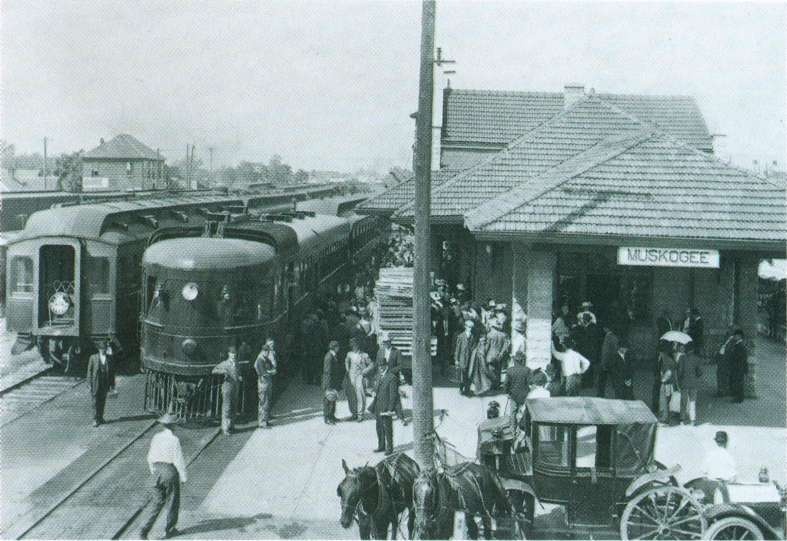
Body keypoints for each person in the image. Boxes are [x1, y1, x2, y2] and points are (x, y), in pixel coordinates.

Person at [139, 413, 187, 540]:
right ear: (174, 426)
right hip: (170, 472)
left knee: (157, 502)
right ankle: (169, 530)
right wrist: (183, 477)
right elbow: (178, 460)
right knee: (172, 501)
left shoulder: (156, 437)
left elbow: (149, 457)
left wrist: (154, 471)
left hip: (156, 471)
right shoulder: (174, 440)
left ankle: (144, 530)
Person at [368, 358, 405, 455]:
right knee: (379, 427)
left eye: (382, 366)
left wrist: (390, 409)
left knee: (387, 428)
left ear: (386, 366)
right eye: (379, 366)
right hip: (378, 406)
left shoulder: (392, 377)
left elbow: (393, 395)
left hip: (386, 407)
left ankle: (390, 448)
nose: (380, 368)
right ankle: (381, 446)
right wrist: (373, 392)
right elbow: (375, 388)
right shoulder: (378, 376)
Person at [212, 346, 243, 435]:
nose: (233, 355)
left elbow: (238, 372)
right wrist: (223, 371)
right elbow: (214, 370)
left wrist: (239, 377)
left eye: (235, 354)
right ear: (229, 354)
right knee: (227, 408)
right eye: (232, 354)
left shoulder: (237, 363)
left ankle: (231, 426)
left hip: (236, 387)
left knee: (234, 407)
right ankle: (225, 428)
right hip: (227, 388)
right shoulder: (225, 363)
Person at [345, 337, 373, 421]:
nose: (353, 346)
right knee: (351, 396)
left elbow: (371, 364)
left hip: (360, 376)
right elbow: (346, 362)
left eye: (354, 344)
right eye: (351, 345)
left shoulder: (364, 355)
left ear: (357, 345)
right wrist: (347, 370)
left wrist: (365, 371)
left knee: (360, 395)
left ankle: (360, 414)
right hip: (351, 376)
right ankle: (354, 413)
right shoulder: (349, 354)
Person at [87, 343, 113, 426]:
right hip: (95, 382)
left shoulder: (109, 358)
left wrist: (112, 384)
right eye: (102, 349)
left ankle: (101, 417)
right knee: (95, 401)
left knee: (102, 400)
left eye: (104, 349)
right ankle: (95, 419)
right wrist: (89, 383)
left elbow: (111, 372)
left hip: (104, 382)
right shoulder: (93, 357)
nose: (103, 350)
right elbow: (89, 371)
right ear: (99, 349)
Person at [677, 342, 702, 425]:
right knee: (692, 402)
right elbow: (699, 372)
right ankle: (692, 420)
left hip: (684, 383)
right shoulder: (697, 358)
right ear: (693, 350)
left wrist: (679, 380)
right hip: (694, 383)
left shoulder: (682, 358)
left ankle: (682, 420)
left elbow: (680, 371)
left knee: (683, 402)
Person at [254, 339, 277, 429]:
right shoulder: (260, 360)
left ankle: (266, 420)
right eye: (266, 352)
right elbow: (264, 373)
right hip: (263, 383)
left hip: (268, 382)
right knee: (263, 402)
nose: (267, 353)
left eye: (268, 352)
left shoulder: (266, 359)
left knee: (268, 401)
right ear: (263, 351)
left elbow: (272, 367)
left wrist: (271, 371)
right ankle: (262, 422)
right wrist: (271, 372)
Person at [505, 351, 531, 429]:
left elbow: (506, 384)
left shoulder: (509, 370)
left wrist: (507, 393)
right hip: (524, 395)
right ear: (522, 360)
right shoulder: (527, 370)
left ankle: (513, 430)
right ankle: (523, 429)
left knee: (513, 413)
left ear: (514, 360)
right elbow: (529, 382)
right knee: (524, 412)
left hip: (513, 395)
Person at [485, 320, 510, 389]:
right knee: (498, 371)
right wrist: (501, 353)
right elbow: (506, 346)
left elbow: (487, 346)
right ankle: (497, 385)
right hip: (499, 356)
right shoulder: (503, 335)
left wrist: (484, 353)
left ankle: (491, 385)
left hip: (490, 355)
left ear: (492, 327)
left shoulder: (489, 335)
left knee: (491, 370)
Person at [454, 319, 477, 396]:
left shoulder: (472, 336)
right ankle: (461, 388)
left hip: (470, 359)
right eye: (469, 327)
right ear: (465, 327)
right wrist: (456, 359)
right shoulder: (460, 336)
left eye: (471, 327)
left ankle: (467, 389)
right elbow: (457, 348)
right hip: (462, 358)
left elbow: (473, 347)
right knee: (462, 375)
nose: (470, 328)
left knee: (469, 374)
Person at [597, 325, 619, 398]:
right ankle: (618, 394)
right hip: (612, 361)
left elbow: (605, 352)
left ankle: (600, 395)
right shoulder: (614, 337)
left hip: (607, 362)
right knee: (614, 380)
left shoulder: (608, 337)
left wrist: (604, 363)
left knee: (602, 381)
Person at [322, 340, 341, 424]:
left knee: (333, 400)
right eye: (337, 347)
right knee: (328, 401)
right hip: (329, 382)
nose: (339, 348)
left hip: (333, 382)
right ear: (334, 347)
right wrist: (329, 385)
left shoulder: (333, 355)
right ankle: (327, 418)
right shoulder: (329, 357)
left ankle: (332, 416)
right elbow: (328, 371)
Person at [658, 345, 678, 424]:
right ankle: (667, 417)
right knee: (668, 400)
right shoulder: (671, 360)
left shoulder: (666, 360)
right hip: (671, 384)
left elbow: (668, 373)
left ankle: (665, 418)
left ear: (663, 352)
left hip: (666, 384)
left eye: (660, 352)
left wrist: (662, 379)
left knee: (664, 400)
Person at [728, 328, 748, 403]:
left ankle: (739, 398)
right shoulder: (739, 344)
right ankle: (738, 397)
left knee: (738, 383)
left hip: (739, 367)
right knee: (737, 382)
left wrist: (732, 354)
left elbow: (739, 356)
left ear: (739, 336)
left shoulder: (740, 345)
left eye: (735, 335)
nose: (734, 337)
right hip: (739, 367)